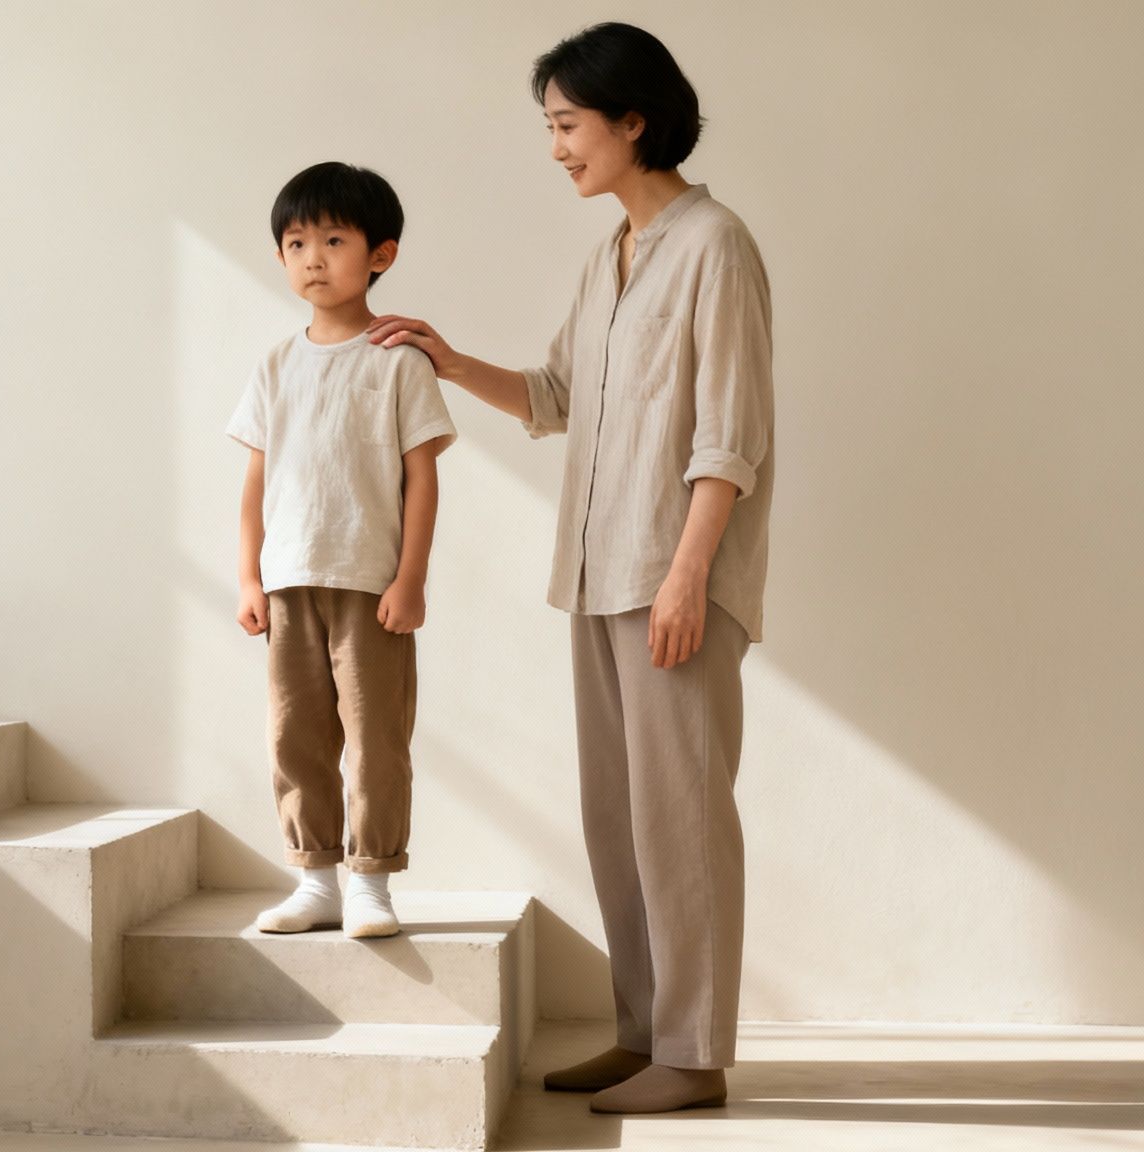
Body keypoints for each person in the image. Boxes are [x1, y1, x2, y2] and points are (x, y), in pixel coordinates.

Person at [366, 22, 774, 1114]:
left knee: (681, 816)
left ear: (632, 118)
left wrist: (689, 574)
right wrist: (447, 361)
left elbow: (730, 433)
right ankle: (644, 1032)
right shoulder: (609, 257)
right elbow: (552, 397)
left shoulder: (713, 245)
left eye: (565, 125)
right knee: (617, 815)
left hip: (671, 578)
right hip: (596, 575)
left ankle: (691, 1055)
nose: (554, 148)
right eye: (547, 127)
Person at [227, 161, 458, 940]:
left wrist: (411, 579)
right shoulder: (274, 365)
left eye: (333, 239)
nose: (313, 257)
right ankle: (316, 878)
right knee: (295, 736)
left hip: (369, 583)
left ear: (380, 255)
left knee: (376, 740)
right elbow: (254, 484)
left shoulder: (397, 359)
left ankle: (372, 885)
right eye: (296, 243)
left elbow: (421, 480)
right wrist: (247, 579)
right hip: (289, 583)